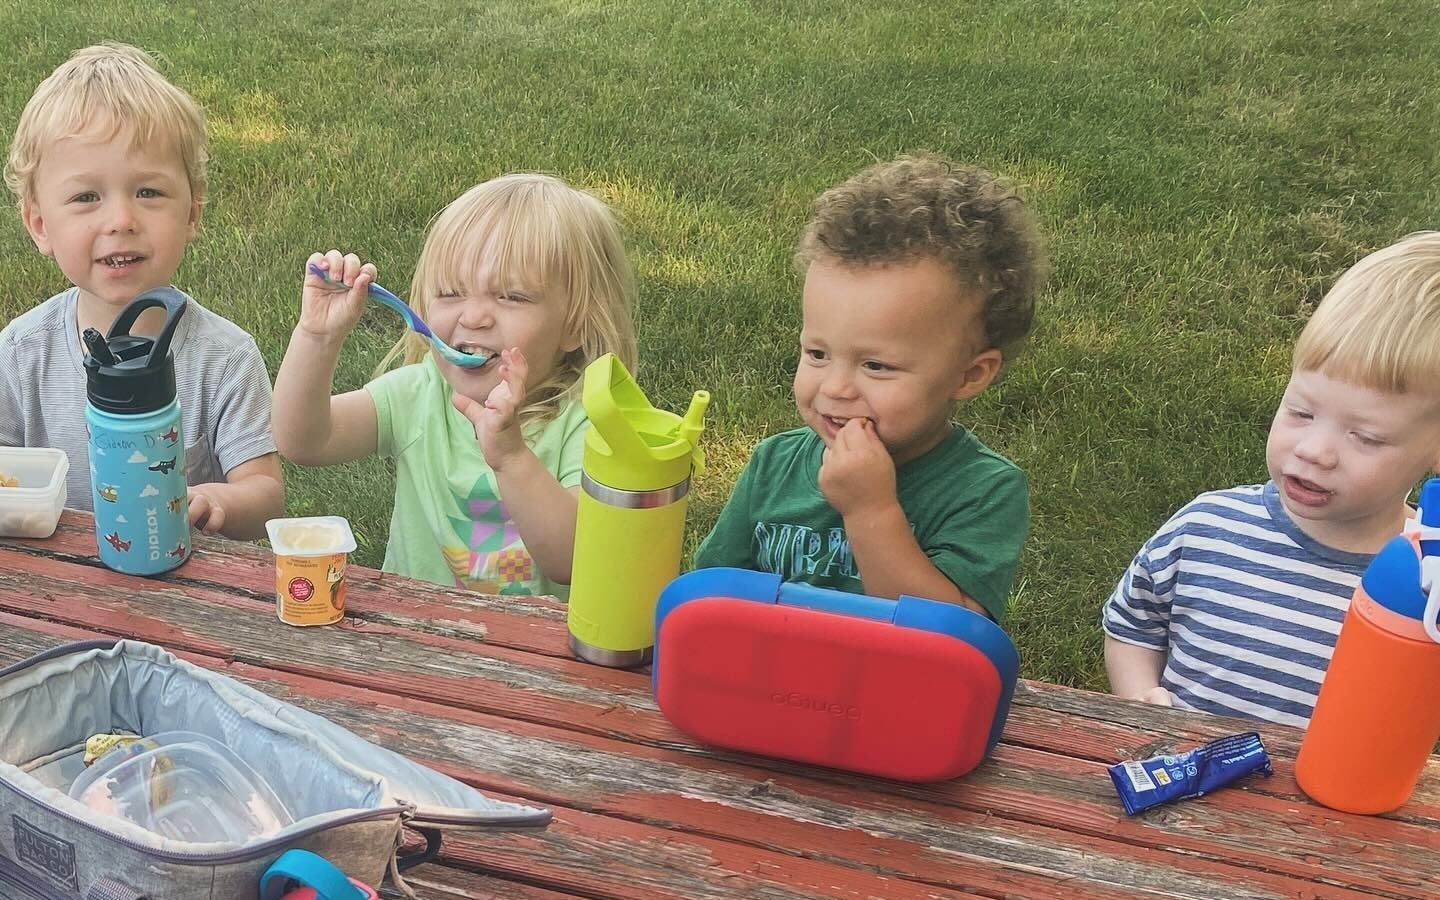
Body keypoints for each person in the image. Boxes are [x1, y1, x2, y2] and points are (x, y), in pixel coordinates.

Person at [1103, 231, 1440, 726]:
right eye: (1301, 411)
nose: (1314, 451)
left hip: (1326, 799)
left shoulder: (1425, 579)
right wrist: (1141, 703)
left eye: (1365, 437)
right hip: (1181, 775)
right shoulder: (1207, 527)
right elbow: (1132, 626)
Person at [693, 154, 1045, 619]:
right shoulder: (774, 466)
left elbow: (950, 640)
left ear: (970, 375)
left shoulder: (982, 491)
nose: (836, 388)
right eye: (818, 354)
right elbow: (711, 597)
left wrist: (871, 513)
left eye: (876, 365)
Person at [272, 174, 636, 595]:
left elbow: (569, 560)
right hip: (415, 637)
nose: (474, 316)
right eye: (449, 292)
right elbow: (303, 441)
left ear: (574, 324)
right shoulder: (419, 395)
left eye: (512, 297)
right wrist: (317, 337)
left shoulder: (588, 422)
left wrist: (511, 455)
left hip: (534, 652)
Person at [0, 43, 282, 538]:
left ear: (192, 212)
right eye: (86, 197)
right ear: (40, 224)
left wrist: (217, 499)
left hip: (184, 587)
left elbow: (266, 495)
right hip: (54, 592)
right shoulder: (22, 355)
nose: (121, 220)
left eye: (148, 192)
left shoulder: (225, 357)